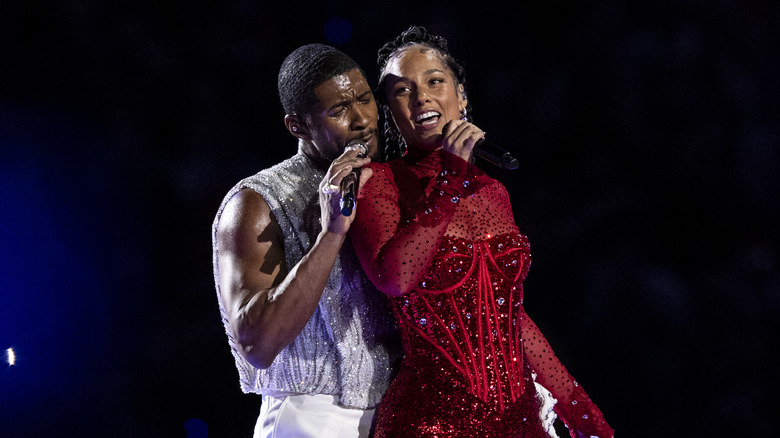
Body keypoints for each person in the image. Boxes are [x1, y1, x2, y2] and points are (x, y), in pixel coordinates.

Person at [350, 25, 615, 437]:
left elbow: (513, 319)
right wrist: (449, 182)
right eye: (402, 90)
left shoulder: (494, 192)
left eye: (435, 81)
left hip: (520, 420)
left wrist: (581, 412)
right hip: (431, 423)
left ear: (462, 98)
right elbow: (395, 278)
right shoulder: (379, 183)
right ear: (391, 112)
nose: (421, 96)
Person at [211, 43, 399, 438]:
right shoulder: (255, 202)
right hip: (312, 418)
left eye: (365, 99)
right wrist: (331, 235)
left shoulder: (388, 181)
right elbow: (257, 345)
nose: (363, 119)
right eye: (339, 110)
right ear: (297, 126)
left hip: (396, 412)